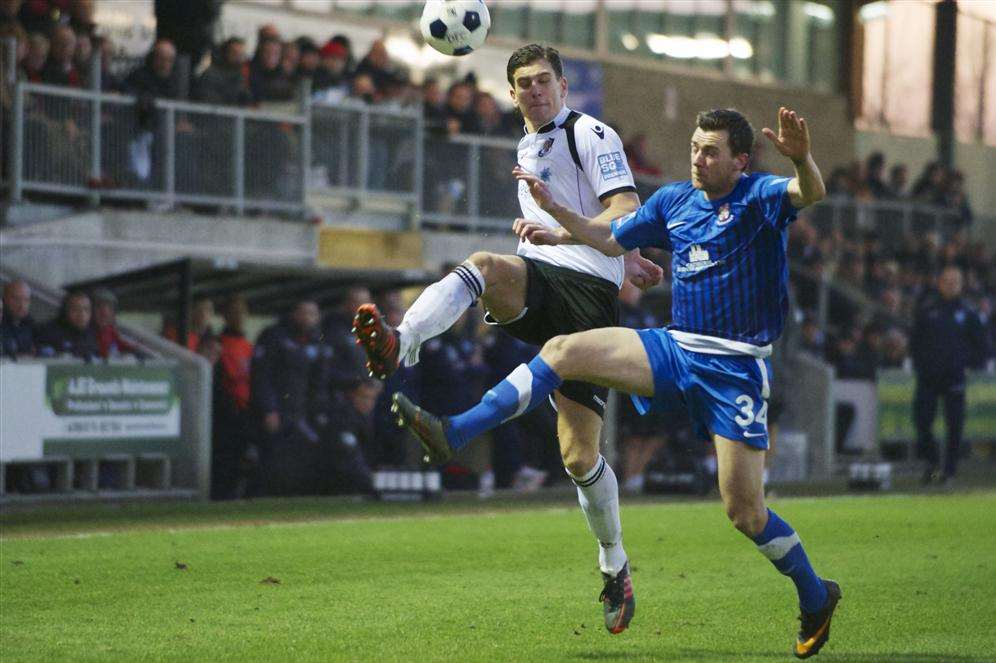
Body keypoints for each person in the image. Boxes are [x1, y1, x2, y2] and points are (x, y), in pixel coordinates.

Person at [391, 106, 843, 656]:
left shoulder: (760, 197)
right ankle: (455, 431)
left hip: (735, 369)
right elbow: (611, 239)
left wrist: (801, 156)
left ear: (740, 160)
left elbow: (810, 192)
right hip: (676, 348)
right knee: (561, 351)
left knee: (744, 513)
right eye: (696, 147)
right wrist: (559, 223)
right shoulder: (674, 200)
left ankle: (816, 594)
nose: (698, 158)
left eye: (712, 151)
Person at [353, 43, 662, 635]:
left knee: (578, 457)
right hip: (542, 279)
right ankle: (400, 342)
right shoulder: (526, 144)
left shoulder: (591, 133)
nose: (535, 91)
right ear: (513, 93)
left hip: (588, 297)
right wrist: (611, 250)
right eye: (523, 83)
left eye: (544, 81)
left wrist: (623, 254)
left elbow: (623, 211)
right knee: (486, 266)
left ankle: (613, 564)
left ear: (564, 87)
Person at [910, 266, 990, 486]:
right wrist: (919, 364)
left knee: (955, 426)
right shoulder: (927, 310)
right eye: (947, 280)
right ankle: (933, 465)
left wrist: (970, 365)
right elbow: (915, 341)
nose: (951, 285)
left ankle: (950, 471)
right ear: (940, 283)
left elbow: (982, 346)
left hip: (954, 378)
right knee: (922, 422)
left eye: (955, 281)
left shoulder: (969, 313)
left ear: (961, 284)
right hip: (928, 377)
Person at [36, 290, 99, 360]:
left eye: (86, 310)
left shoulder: (91, 335)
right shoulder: (49, 332)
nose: (82, 314)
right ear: (66, 310)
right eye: (76, 309)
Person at [91, 288, 137, 358]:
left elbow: (129, 346)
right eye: (99, 307)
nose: (105, 313)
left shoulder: (111, 330)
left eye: (110, 308)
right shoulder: (86, 334)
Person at [1, 279, 36, 357]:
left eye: (26, 300)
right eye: (16, 299)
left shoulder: (31, 326)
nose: (22, 305)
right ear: (4, 299)